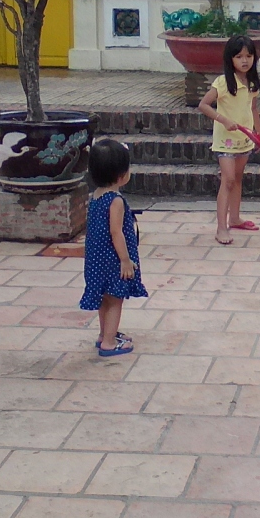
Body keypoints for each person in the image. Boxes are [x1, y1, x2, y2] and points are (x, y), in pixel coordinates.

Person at [80, 138, 147, 355]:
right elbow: (116, 232)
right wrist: (125, 260)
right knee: (115, 299)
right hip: (112, 260)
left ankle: (104, 334)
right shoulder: (115, 201)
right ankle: (109, 342)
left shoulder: (97, 195)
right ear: (121, 176)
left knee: (104, 299)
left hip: (96, 259)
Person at [198, 34, 260, 245]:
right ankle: (221, 228)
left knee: (237, 178)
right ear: (230, 58)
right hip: (225, 140)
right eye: (239, 56)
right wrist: (223, 120)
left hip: (244, 139)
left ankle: (234, 218)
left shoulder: (252, 82)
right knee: (227, 180)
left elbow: (253, 108)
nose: (244, 60)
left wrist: (259, 133)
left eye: (248, 56)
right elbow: (204, 105)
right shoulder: (223, 82)